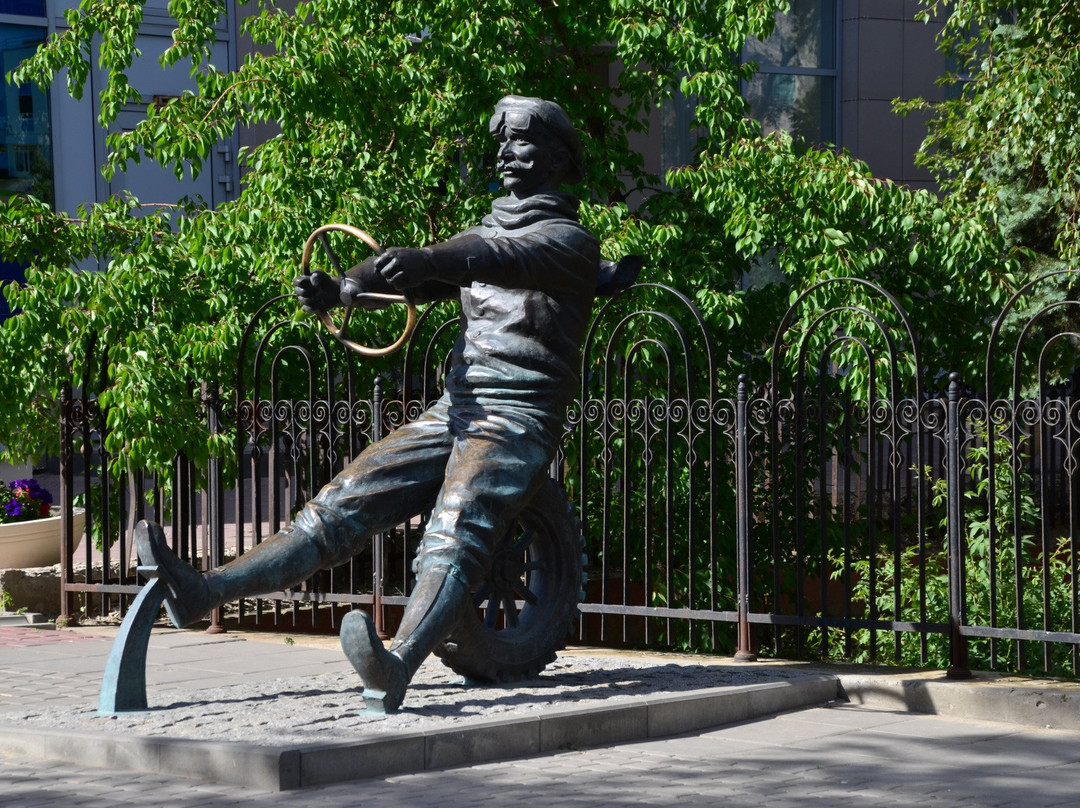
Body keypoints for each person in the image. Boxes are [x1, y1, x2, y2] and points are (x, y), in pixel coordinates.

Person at [136, 95, 634, 713]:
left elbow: (493, 260)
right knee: (340, 503)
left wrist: (432, 259)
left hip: (518, 417)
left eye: (522, 142)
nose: (506, 153)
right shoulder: (485, 230)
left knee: (455, 525)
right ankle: (202, 591)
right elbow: (421, 276)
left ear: (558, 156)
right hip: (460, 408)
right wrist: (345, 287)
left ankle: (396, 664)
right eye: (501, 142)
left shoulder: (569, 242)